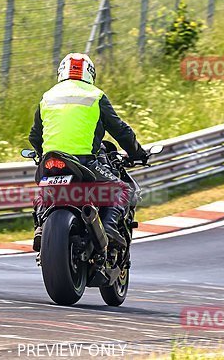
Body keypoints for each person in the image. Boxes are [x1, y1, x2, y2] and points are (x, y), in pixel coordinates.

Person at [29, 53, 148, 249]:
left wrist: (42, 155)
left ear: (61, 72)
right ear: (90, 74)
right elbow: (120, 130)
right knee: (122, 188)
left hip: (49, 162)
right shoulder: (95, 95)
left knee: (44, 190)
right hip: (84, 162)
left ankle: (42, 226)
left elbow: (35, 136)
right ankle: (109, 227)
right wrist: (137, 153)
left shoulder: (47, 96)